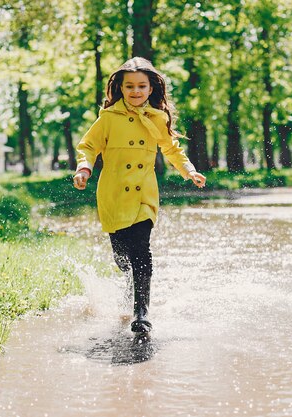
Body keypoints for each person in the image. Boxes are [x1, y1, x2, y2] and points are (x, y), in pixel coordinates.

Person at [72, 57, 206, 333]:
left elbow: (171, 149)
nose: (135, 91)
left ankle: (141, 312)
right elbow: (88, 145)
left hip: (144, 193)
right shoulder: (108, 118)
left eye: (141, 86)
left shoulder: (158, 118)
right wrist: (84, 168)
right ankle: (129, 290)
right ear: (120, 88)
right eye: (129, 86)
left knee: (142, 251)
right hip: (112, 194)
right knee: (122, 258)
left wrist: (189, 170)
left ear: (151, 88)